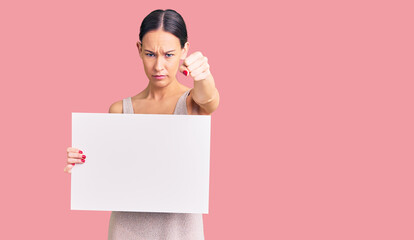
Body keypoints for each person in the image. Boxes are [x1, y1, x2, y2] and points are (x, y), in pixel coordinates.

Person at [63, 9, 219, 240]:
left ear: (184, 50)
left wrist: (204, 75)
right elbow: (108, 174)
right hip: (127, 230)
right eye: (150, 54)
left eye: (168, 54)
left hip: (178, 233)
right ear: (138, 50)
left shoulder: (192, 103)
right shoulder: (119, 110)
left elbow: (210, 99)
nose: (158, 66)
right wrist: (83, 165)